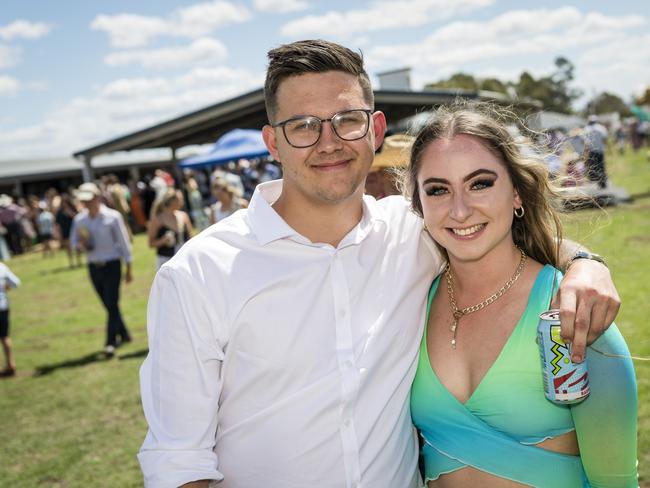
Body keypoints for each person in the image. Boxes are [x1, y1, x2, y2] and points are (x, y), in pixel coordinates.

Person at [138, 40, 620, 488]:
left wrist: (584, 263)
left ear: (375, 129)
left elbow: (493, 227)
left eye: (346, 119)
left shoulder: (415, 233)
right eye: (303, 125)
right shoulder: (198, 274)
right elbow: (178, 460)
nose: (328, 142)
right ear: (272, 143)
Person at [405, 104, 637, 487]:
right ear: (419, 203)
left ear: (516, 194)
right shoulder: (412, 299)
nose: (460, 210)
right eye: (438, 190)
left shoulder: (570, 307)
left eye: (480, 183)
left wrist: (586, 262)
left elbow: (617, 481)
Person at [70, 182, 133, 356]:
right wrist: (81, 246)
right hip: (93, 267)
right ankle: (125, 333)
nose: (86, 203)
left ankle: (110, 342)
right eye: (84, 201)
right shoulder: (79, 219)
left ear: (97, 197)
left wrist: (129, 267)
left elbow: (124, 242)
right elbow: (73, 242)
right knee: (108, 304)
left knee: (111, 303)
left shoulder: (112, 217)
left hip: (112, 265)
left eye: (89, 200)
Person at [148, 189, 193, 270]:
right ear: (171, 202)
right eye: (180, 199)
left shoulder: (183, 216)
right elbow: (151, 243)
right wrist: (163, 240)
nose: (182, 202)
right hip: (165, 260)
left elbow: (190, 239)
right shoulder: (158, 219)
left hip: (183, 258)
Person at [0, 261, 20, 377]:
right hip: (3, 307)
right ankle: (11, 364)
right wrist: (3, 288)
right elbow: (15, 283)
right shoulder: (2, 267)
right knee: (5, 336)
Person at [55, 194, 82, 268]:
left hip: (74, 230)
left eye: (65, 202)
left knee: (77, 246)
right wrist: (58, 234)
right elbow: (57, 223)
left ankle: (79, 261)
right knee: (68, 248)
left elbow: (78, 218)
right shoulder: (59, 212)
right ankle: (71, 263)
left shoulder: (72, 208)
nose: (64, 203)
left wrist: (70, 213)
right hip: (65, 231)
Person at [583, 115, 609, 189]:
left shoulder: (586, 129)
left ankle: (598, 181)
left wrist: (585, 152)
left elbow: (586, 142)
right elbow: (605, 139)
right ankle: (603, 182)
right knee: (601, 166)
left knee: (594, 167)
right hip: (600, 150)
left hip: (592, 151)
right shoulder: (601, 128)